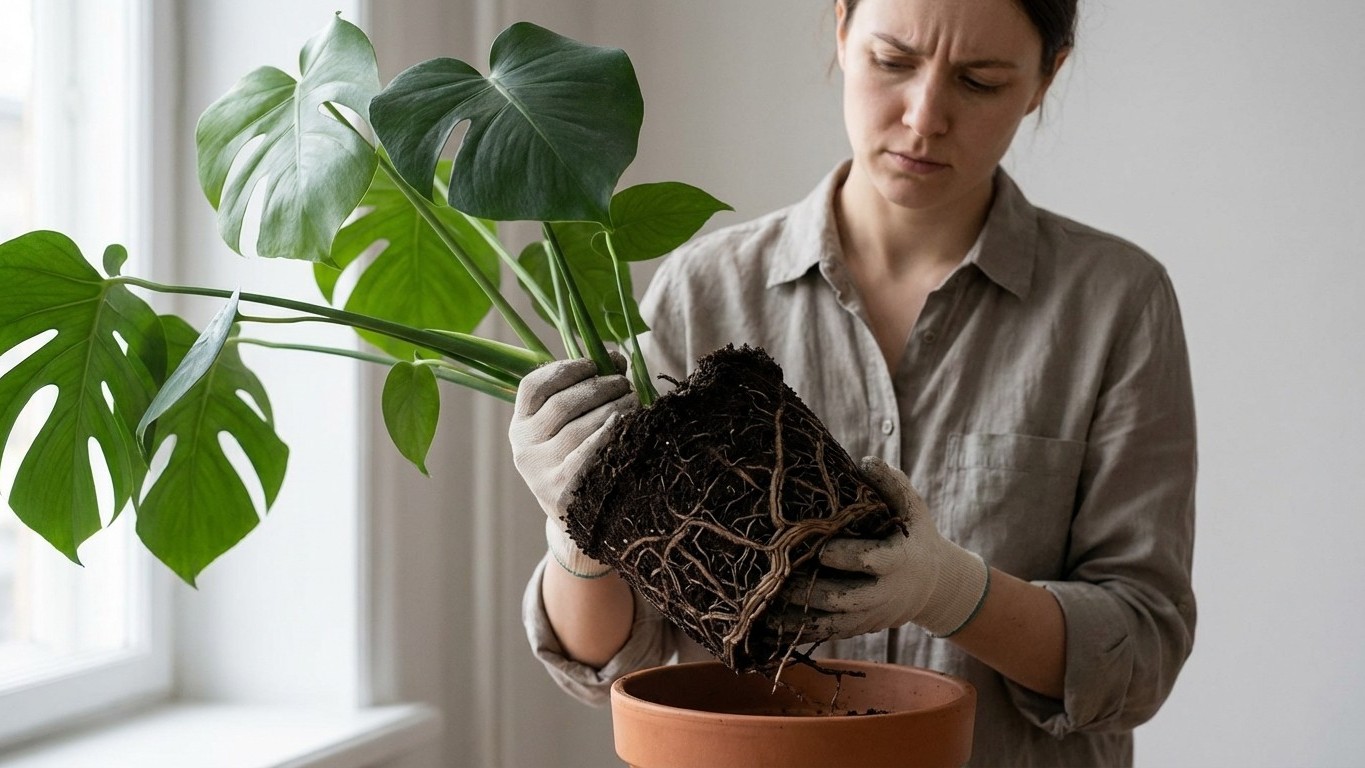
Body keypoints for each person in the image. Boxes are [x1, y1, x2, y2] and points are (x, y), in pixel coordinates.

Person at [512, 0, 1197, 763]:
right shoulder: (702, 292)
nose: (923, 116)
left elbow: (1141, 651)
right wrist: (578, 526)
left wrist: (955, 593)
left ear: (1043, 80)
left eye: (979, 81)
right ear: (840, 30)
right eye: (892, 61)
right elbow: (610, 659)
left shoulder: (1114, 303)